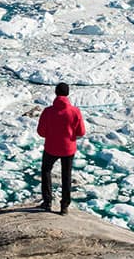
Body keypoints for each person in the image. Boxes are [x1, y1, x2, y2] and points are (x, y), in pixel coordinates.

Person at [36, 82, 86, 215]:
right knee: (66, 175)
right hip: (68, 149)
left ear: (56, 93)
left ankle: (47, 202)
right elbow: (81, 132)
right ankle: (64, 207)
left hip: (51, 147)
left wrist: (52, 134)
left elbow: (41, 132)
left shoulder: (48, 111)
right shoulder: (75, 112)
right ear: (68, 94)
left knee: (46, 171)